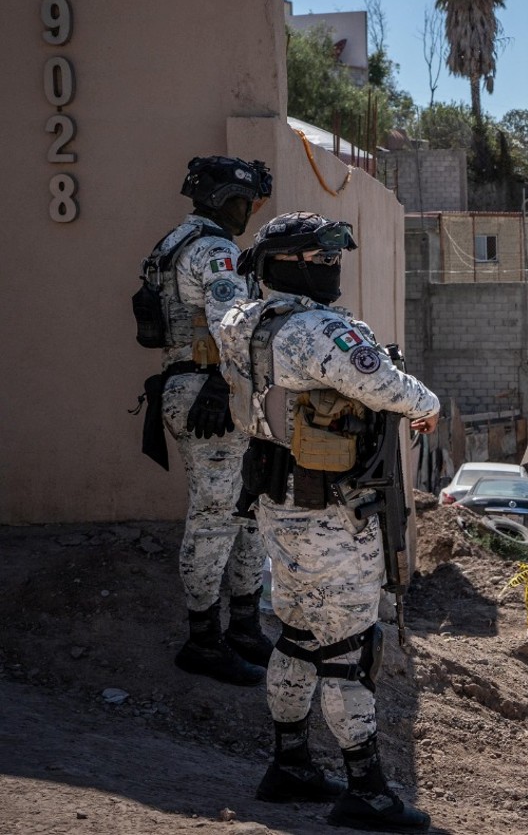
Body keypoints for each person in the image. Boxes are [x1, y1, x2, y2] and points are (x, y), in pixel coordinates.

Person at [217, 212, 439, 831]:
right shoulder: (322, 333)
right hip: (332, 518)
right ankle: (366, 789)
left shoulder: (242, 322)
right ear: (288, 264)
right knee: (347, 649)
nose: (333, 266)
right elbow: (399, 392)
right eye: (320, 257)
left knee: (296, 636)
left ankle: (290, 764)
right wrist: (432, 405)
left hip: (276, 506)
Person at [137, 155, 273, 686]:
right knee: (216, 516)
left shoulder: (171, 243)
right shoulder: (215, 249)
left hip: (189, 386)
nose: (250, 212)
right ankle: (203, 640)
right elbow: (232, 326)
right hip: (209, 393)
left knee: (244, 512)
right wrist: (222, 383)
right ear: (224, 198)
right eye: (247, 201)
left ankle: (241, 628)